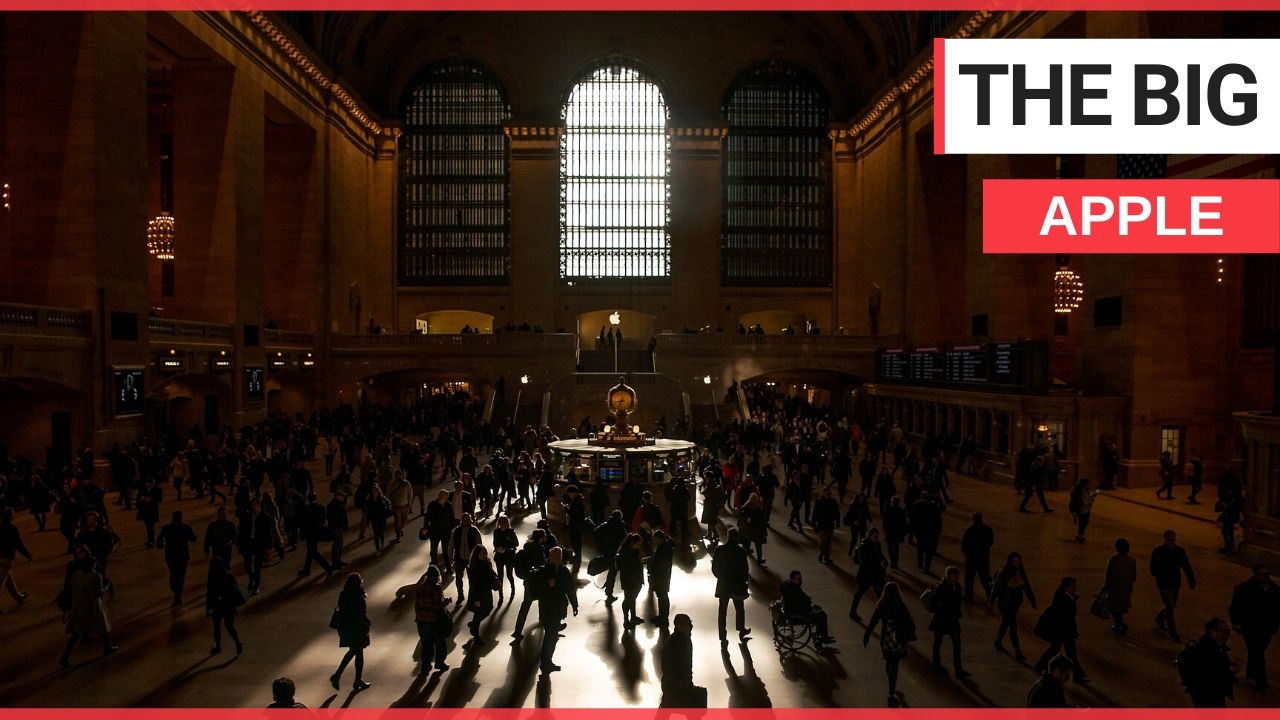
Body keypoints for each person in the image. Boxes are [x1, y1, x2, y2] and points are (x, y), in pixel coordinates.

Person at [58, 544, 117, 667]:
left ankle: (65, 657)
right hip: (93, 605)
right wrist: (107, 587)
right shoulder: (95, 576)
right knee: (101, 627)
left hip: (79, 604)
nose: (78, 554)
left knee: (77, 632)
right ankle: (107, 647)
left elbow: (68, 586)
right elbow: (98, 592)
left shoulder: (75, 572)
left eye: (81, 552)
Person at [863, 581, 915, 707]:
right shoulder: (900, 605)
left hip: (886, 638)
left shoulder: (881, 605)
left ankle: (891, 686)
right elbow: (910, 621)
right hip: (898, 638)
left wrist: (867, 636)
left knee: (888, 662)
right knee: (895, 665)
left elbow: (873, 621)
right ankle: (892, 689)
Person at [1229, 563, 1280, 691]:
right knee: (1257, 652)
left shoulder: (1274, 590)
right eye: (1263, 574)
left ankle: (1251, 674)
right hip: (1250, 626)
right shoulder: (1244, 589)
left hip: (1267, 628)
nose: (1266, 577)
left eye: (1267, 574)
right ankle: (1261, 680)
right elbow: (1235, 606)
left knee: (1256, 651)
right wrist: (1236, 622)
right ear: (1256, 575)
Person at [1033, 576, 1089, 683]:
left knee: (1062, 651)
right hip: (1061, 631)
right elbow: (1063, 618)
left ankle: (1041, 666)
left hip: (1065, 631)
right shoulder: (1062, 599)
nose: (1075, 588)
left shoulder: (1069, 598)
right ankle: (1077, 675)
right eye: (1073, 586)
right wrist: (1072, 630)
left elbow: (1070, 618)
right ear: (1066, 587)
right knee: (1064, 652)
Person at [537, 546, 578, 674]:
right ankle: (546, 663)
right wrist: (548, 586)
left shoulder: (562, 570)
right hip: (549, 608)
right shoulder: (545, 571)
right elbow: (539, 591)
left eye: (559, 556)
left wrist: (575, 605)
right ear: (550, 557)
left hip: (557, 608)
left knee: (551, 636)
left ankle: (546, 662)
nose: (558, 558)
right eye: (556, 556)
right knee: (550, 636)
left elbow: (570, 589)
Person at [1151, 529, 1196, 642]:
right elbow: (1153, 566)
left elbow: (1186, 565)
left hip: (1175, 583)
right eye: (1170, 540)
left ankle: (1160, 617)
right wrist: (1158, 576)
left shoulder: (1179, 551)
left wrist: (1191, 580)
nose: (1172, 542)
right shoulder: (1159, 551)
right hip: (1164, 584)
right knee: (1170, 608)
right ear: (1165, 540)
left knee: (1172, 604)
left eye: (1173, 539)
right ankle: (1173, 633)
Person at [991, 551, 1037, 660]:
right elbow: (997, 587)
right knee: (1012, 624)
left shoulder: (1021, 572)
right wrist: (991, 600)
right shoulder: (1004, 572)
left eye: (1019, 560)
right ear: (1011, 561)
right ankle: (1017, 650)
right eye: (1015, 561)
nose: (1018, 563)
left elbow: (1027, 587)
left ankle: (998, 641)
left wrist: (1032, 600)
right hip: (1005, 603)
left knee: (1006, 622)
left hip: (1015, 603)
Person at [330, 573, 372, 691]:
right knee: (356, 651)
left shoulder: (343, 594)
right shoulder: (359, 595)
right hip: (357, 627)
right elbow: (361, 611)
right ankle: (340, 676)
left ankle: (355, 679)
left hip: (347, 627)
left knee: (356, 652)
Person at [1183, 618, 1237, 707]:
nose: (1227, 635)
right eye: (1224, 632)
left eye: (1228, 631)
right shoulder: (1207, 649)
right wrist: (1231, 671)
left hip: (1207, 692)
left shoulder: (1213, 644)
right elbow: (1212, 673)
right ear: (1212, 632)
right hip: (1207, 693)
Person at [712, 527, 751, 643]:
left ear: (728, 536)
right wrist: (743, 581)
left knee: (722, 610)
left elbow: (714, 568)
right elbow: (745, 569)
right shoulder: (741, 552)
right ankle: (741, 629)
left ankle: (722, 634)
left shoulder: (720, 550)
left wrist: (721, 577)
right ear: (737, 537)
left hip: (724, 584)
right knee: (739, 608)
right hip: (737, 584)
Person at [928, 566, 969, 677]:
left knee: (956, 644)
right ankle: (936, 664)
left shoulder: (957, 587)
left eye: (957, 576)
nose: (956, 578)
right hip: (942, 620)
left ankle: (958, 669)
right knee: (938, 643)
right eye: (954, 575)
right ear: (949, 576)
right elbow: (938, 603)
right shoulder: (942, 588)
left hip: (951, 620)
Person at [660, 614, 707, 707]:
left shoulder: (681, 639)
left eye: (690, 623)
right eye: (686, 624)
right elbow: (669, 668)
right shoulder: (679, 642)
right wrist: (685, 684)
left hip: (674, 685)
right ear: (678, 625)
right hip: (676, 686)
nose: (690, 626)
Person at [781, 570, 835, 644]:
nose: (801, 580)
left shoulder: (792, 587)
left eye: (801, 578)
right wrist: (810, 610)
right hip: (797, 615)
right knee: (822, 615)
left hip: (797, 611)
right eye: (799, 579)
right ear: (793, 579)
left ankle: (821, 636)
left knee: (820, 613)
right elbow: (798, 606)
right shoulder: (793, 591)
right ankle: (823, 637)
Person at [414, 564, 451, 672]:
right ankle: (439, 663)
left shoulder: (420, 587)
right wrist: (446, 601)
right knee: (440, 643)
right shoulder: (436, 587)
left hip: (421, 621)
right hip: (434, 621)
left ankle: (426, 665)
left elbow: (416, 605)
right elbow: (437, 605)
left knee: (426, 644)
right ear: (436, 576)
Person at [156, 510, 197, 605]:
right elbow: (193, 538)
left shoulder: (166, 528)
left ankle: (175, 588)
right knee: (181, 576)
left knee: (173, 573)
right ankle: (178, 594)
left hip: (171, 556)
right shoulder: (186, 528)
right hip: (183, 556)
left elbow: (159, 541)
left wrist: (162, 545)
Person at [206, 556, 245, 655]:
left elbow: (209, 594)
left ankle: (218, 646)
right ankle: (237, 642)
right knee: (229, 626)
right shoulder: (229, 576)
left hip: (217, 606)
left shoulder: (212, 579)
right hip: (229, 606)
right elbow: (235, 590)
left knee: (216, 628)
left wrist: (208, 608)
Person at [849, 528, 887, 621]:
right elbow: (865, 561)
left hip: (875, 574)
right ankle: (852, 612)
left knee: (880, 595)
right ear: (869, 536)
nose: (876, 538)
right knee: (859, 594)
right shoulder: (864, 546)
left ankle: (883, 614)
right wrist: (879, 562)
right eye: (874, 537)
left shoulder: (877, 544)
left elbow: (880, 554)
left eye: (877, 537)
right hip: (866, 575)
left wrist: (883, 560)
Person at [238, 499, 273, 595]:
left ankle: (256, 585)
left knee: (257, 565)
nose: (253, 507)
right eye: (251, 505)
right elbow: (242, 530)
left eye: (254, 505)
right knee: (247, 563)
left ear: (259, 505)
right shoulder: (247, 516)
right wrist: (240, 544)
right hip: (249, 543)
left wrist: (269, 546)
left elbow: (268, 533)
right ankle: (251, 577)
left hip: (259, 544)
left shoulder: (265, 517)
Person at [1103, 538, 1137, 636]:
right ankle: (1119, 624)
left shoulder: (1114, 560)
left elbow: (1109, 574)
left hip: (1115, 587)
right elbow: (1134, 576)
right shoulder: (1131, 560)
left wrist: (1106, 585)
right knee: (1121, 607)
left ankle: (1120, 624)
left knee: (1113, 607)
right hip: (1126, 588)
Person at [464, 545, 496, 649]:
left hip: (486, 592)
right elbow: (473, 584)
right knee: (478, 614)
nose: (483, 555)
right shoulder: (473, 567)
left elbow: (490, 574)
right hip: (478, 594)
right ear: (476, 555)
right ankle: (476, 636)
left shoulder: (487, 563)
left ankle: (473, 625)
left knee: (488, 609)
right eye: (481, 554)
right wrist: (476, 599)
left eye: (485, 553)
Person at [0, 507, 32, 605]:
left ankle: (18, 596)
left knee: (8, 578)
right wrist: (27, 555)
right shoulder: (11, 528)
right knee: (1, 581)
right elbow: (18, 544)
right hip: (5, 557)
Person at [960, 512, 994, 603]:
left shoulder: (970, 531)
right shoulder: (988, 530)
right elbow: (991, 543)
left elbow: (964, 546)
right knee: (986, 578)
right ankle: (991, 596)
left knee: (969, 579)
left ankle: (968, 596)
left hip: (971, 559)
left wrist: (967, 554)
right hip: (983, 559)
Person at [449, 512, 482, 601]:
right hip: (459, 558)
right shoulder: (456, 530)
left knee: (471, 579)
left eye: (467, 519)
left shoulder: (475, 531)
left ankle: (471, 596)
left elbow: (479, 546)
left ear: (470, 520)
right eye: (463, 520)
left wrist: (478, 558)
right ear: (461, 521)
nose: (465, 521)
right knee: (458, 579)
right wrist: (450, 557)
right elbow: (451, 545)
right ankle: (460, 595)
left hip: (471, 559)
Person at [617, 532, 646, 629]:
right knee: (628, 599)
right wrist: (639, 562)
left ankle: (632, 617)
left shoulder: (631, 551)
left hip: (634, 579)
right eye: (638, 544)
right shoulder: (625, 553)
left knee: (631, 599)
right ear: (633, 543)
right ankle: (626, 620)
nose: (639, 546)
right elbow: (627, 566)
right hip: (629, 579)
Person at [648, 529, 674, 625]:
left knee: (662, 597)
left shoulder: (665, 548)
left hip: (662, 577)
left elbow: (661, 563)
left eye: (655, 539)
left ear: (660, 538)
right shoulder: (665, 546)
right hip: (662, 576)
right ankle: (662, 616)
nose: (654, 541)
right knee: (662, 597)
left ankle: (663, 618)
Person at [492, 515, 519, 604]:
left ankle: (513, 590)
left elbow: (516, 543)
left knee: (509, 575)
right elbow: (495, 543)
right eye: (501, 522)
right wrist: (497, 548)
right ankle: (501, 596)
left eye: (504, 522)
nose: (502, 524)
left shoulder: (511, 532)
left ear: (507, 523)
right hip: (500, 556)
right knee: (500, 576)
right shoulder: (496, 532)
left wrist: (508, 543)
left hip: (509, 556)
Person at [739, 493, 768, 565]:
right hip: (757, 530)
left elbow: (740, 516)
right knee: (758, 545)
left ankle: (744, 556)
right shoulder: (758, 509)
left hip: (748, 529)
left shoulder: (745, 508)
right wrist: (764, 531)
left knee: (747, 542)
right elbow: (762, 521)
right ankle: (759, 559)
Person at [1068, 477, 1098, 543]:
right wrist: (1093, 497)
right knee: (1084, 523)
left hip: (1080, 509)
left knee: (1082, 523)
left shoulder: (1078, 489)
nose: (1090, 485)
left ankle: (1080, 535)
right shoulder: (1083, 491)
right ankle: (1080, 536)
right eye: (1089, 484)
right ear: (1085, 484)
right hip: (1084, 509)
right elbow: (1086, 501)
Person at [135, 477, 163, 548]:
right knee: (148, 527)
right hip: (144, 511)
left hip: (152, 511)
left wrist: (151, 499)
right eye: (148, 483)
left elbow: (159, 499)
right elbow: (138, 498)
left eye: (151, 483)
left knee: (150, 526)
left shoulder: (157, 489)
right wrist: (142, 499)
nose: (150, 484)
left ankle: (151, 541)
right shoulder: (142, 489)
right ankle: (150, 540)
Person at [366, 483, 392, 557]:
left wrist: (387, 509)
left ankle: (382, 542)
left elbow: (389, 503)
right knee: (376, 534)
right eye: (373, 491)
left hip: (381, 518)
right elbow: (368, 511)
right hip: (374, 519)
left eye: (375, 491)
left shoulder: (382, 498)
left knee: (381, 532)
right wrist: (368, 520)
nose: (374, 493)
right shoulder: (369, 500)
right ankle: (378, 549)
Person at [883, 496, 907, 571]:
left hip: (890, 531)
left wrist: (885, 530)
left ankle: (892, 561)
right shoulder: (901, 511)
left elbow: (885, 522)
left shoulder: (888, 510)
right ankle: (894, 562)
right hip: (898, 532)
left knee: (890, 547)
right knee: (896, 548)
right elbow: (904, 523)